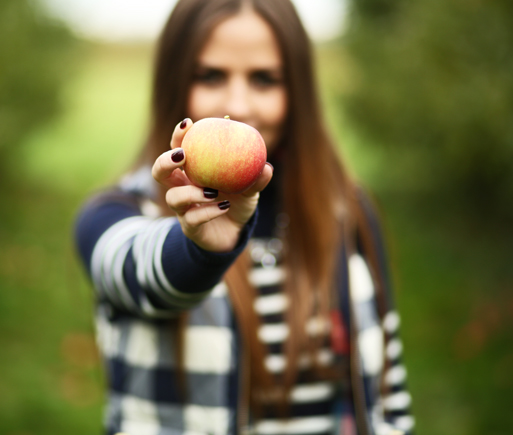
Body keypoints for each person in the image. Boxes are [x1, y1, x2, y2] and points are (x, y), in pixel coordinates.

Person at [75, 0, 414, 434]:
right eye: (211, 75)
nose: (237, 103)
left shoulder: (346, 213)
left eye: (265, 79)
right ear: (175, 83)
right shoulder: (112, 214)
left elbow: (389, 392)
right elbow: (139, 269)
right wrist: (199, 250)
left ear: (297, 93)